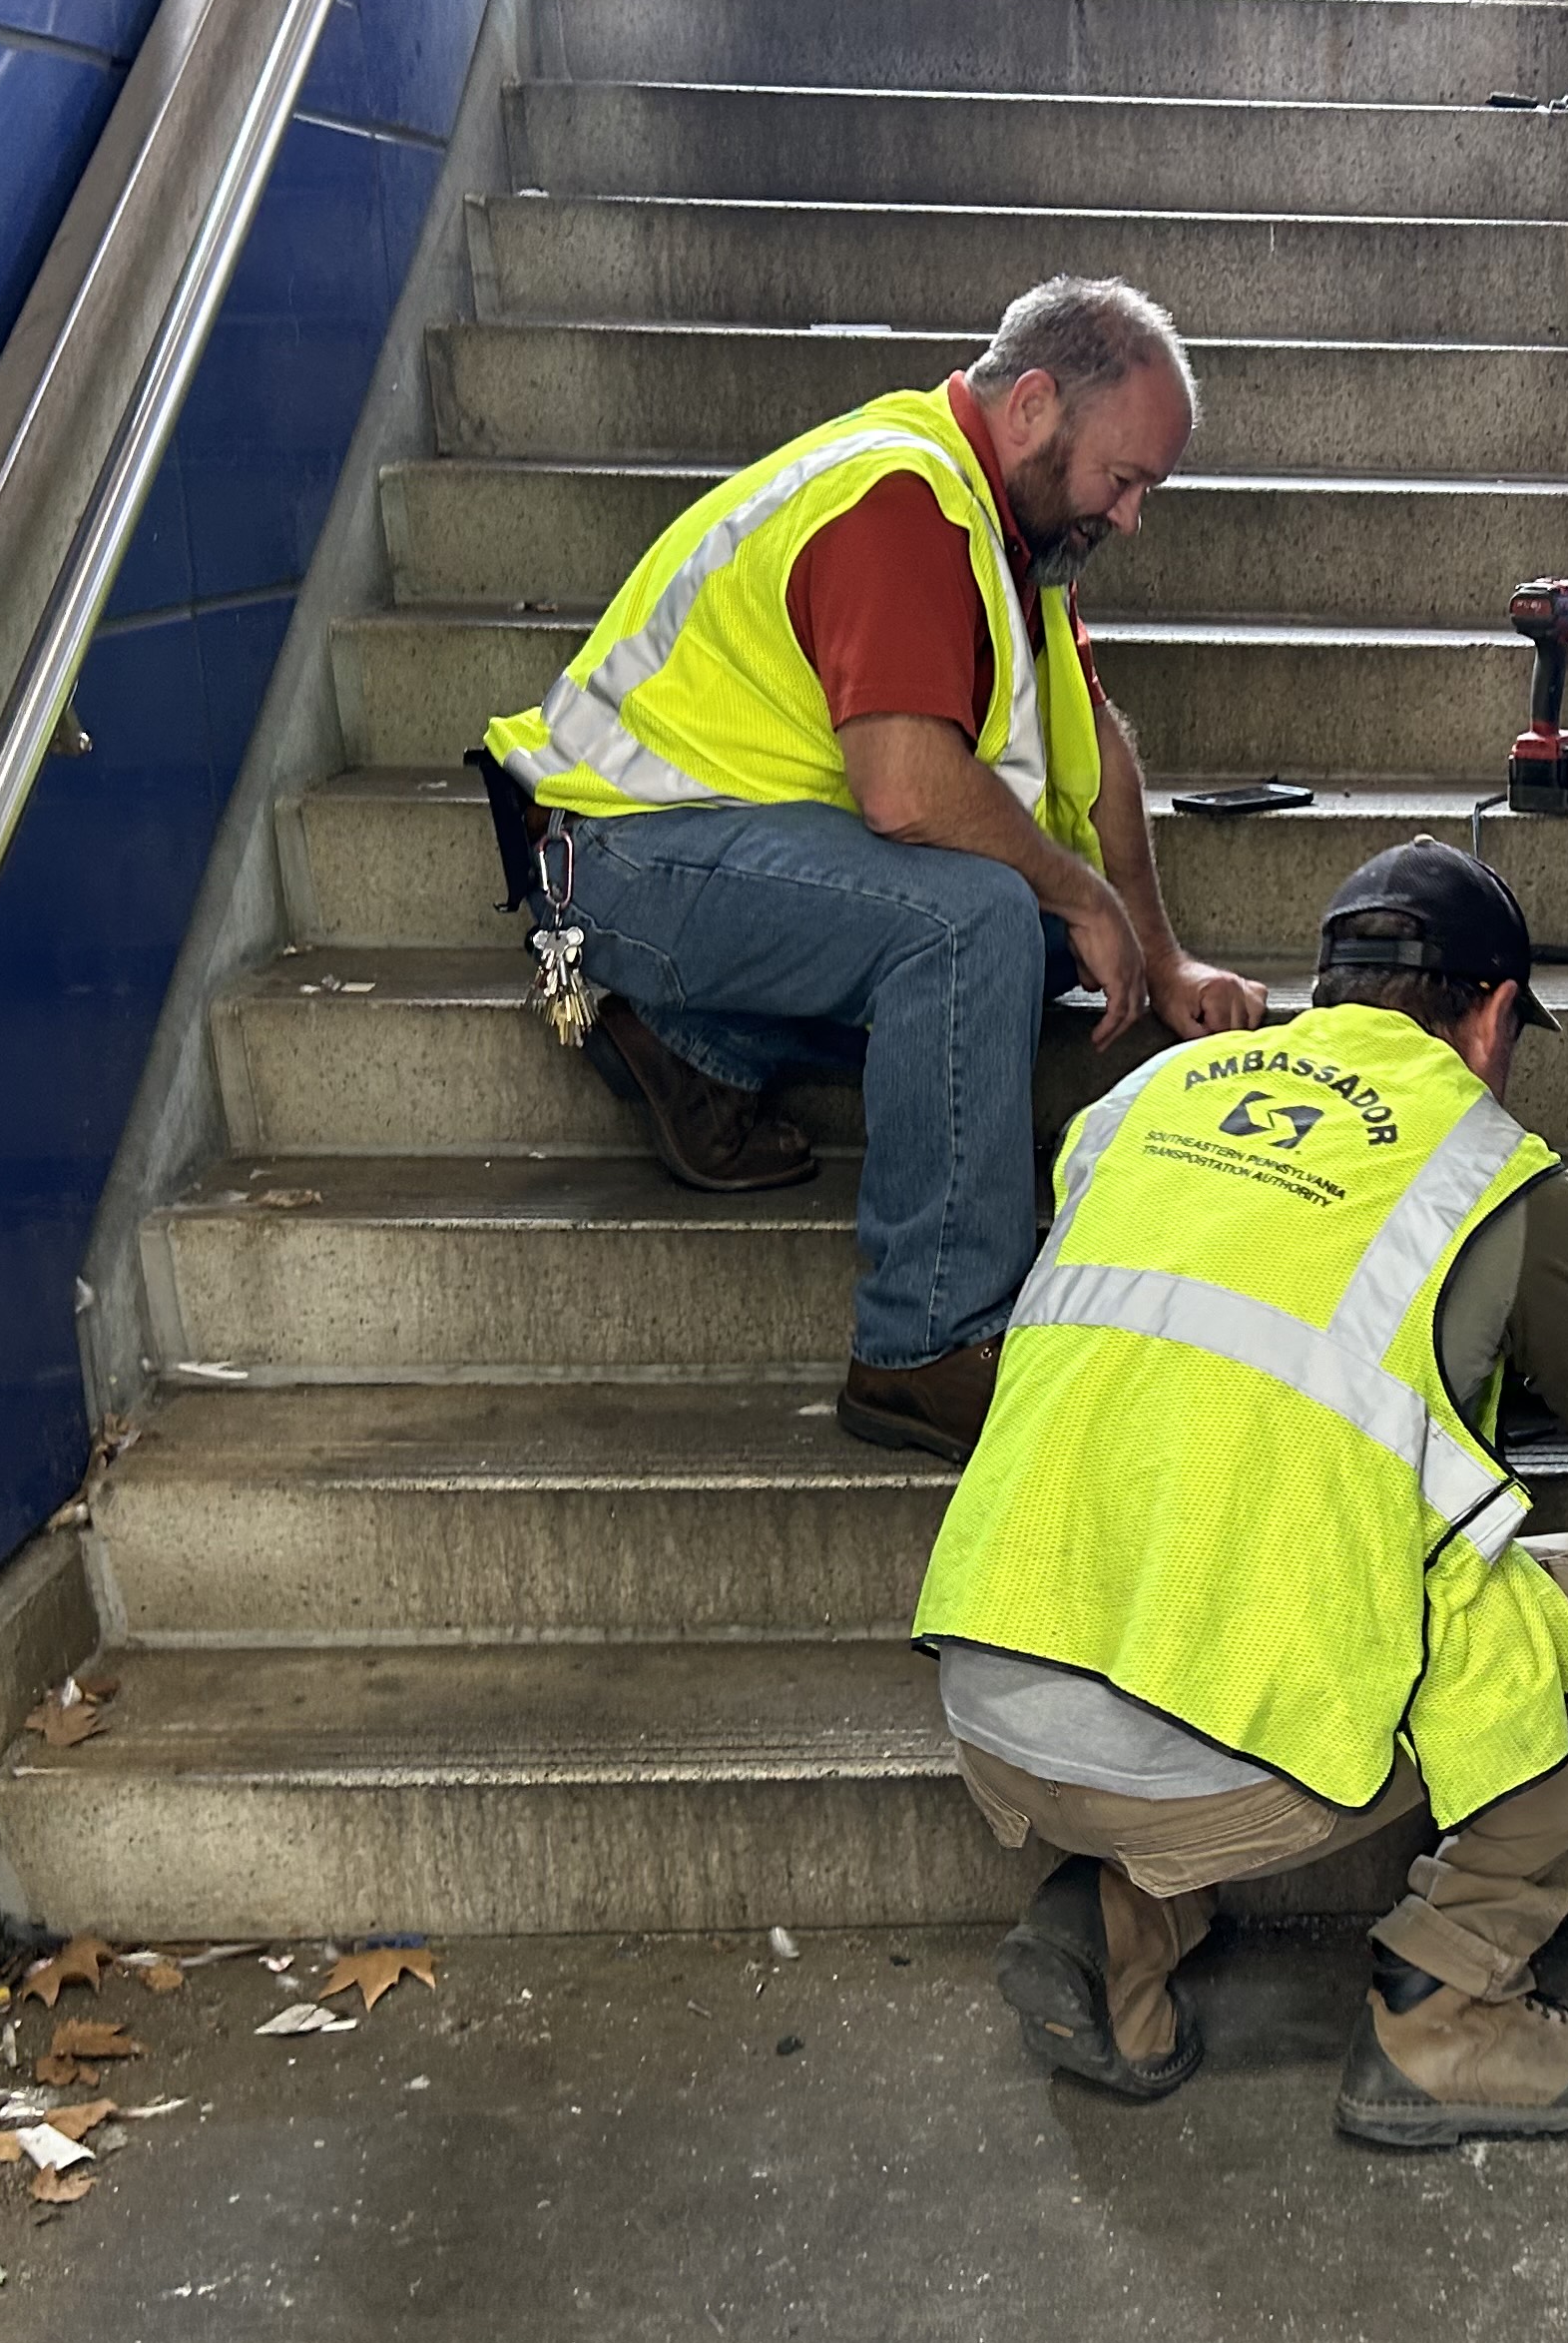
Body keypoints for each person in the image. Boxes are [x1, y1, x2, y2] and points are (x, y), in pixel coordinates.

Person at [913, 840, 1568, 2146]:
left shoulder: (1141, 1103)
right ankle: (1450, 2011)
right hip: (1218, 1760)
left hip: (991, 1694)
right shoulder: (1488, 1169)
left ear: (1322, 988)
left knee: (1216, 1567)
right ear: (1493, 1014)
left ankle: (1109, 1931)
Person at [478, 276, 1266, 1464]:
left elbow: (1088, 744)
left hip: (721, 856)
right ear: (1035, 405)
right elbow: (902, 791)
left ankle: (695, 1047)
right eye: (1128, 477)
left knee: (1036, 932)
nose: (1134, 515)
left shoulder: (1012, 541)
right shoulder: (902, 501)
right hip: (613, 860)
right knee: (976, 925)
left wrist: (1155, 955)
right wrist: (1077, 892)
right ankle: (925, 1343)